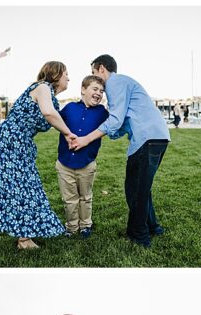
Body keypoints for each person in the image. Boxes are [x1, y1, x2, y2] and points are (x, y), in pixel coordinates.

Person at [70, 55, 171, 248]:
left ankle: (139, 236)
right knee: (141, 187)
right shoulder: (124, 83)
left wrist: (86, 139)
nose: (95, 78)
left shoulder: (115, 83)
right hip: (156, 137)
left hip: (147, 139)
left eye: (94, 73)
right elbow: (123, 123)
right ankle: (153, 226)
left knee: (136, 190)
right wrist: (109, 130)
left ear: (101, 68)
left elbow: (116, 120)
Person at [0, 61, 79, 250]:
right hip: (12, 138)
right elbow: (48, 114)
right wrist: (68, 133)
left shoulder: (50, 97)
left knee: (23, 184)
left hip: (21, 141)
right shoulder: (43, 87)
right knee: (21, 185)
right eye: (66, 74)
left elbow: (52, 113)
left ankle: (24, 236)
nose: (69, 78)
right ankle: (24, 239)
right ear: (56, 74)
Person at [56, 76, 109, 238]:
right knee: (69, 199)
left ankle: (86, 225)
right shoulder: (69, 107)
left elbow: (114, 124)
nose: (99, 93)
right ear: (83, 90)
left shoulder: (102, 113)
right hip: (65, 163)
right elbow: (53, 119)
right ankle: (72, 227)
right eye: (95, 89)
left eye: (101, 91)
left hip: (87, 163)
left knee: (85, 197)